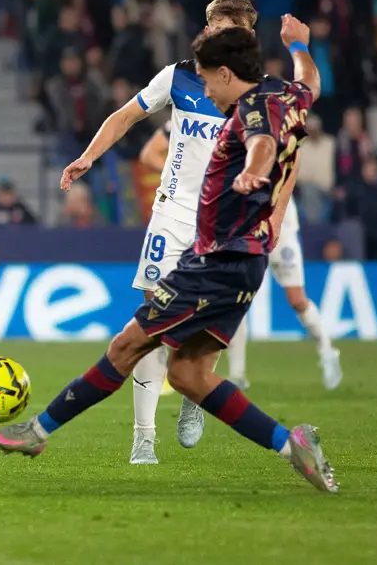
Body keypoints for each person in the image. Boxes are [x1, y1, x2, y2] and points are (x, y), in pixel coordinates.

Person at [0, 21, 339, 494]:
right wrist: (298, 45)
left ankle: (39, 431)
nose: (206, 92)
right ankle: (292, 446)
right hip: (246, 261)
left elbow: (262, 143)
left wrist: (253, 172)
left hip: (216, 259)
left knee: (127, 345)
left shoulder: (252, 110)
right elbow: (309, 79)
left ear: (229, 74)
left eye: (210, 80)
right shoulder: (289, 97)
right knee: (189, 375)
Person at [139, 106, 341, 394]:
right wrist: (183, 174)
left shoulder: (258, 118)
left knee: (296, 299)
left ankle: (326, 351)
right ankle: (238, 375)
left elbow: (289, 159)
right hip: (239, 220)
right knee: (234, 297)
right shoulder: (199, 118)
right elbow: (150, 153)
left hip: (276, 219)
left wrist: (277, 214)